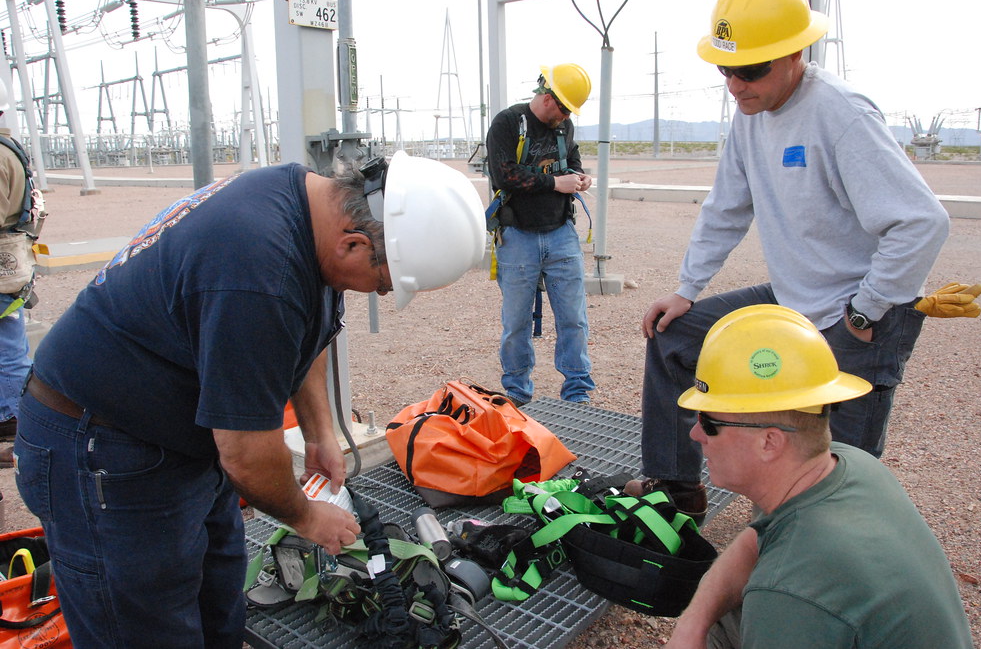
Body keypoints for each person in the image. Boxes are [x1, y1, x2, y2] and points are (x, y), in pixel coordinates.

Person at [12, 151, 485, 648]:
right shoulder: (260, 271)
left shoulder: (312, 206)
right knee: (145, 629)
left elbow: (313, 327)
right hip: (101, 448)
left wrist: (320, 431)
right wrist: (305, 516)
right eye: (385, 283)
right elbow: (247, 456)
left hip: (179, 437)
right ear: (355, 243)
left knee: (218, 602)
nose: (382, 295)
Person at [627, 0, 950, 522]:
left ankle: (835, 555)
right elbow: (725, 208)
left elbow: (922, 223)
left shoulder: (840, 115)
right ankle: (677, 492)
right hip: (797, 297)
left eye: (749, 69)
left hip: (863, 315)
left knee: (834, 471)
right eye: (726, 68)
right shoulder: (750, 116)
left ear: (796, 54)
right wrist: (686, 289)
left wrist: (864, 309)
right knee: (674, 337)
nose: (735, 83)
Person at [666, 304, 973, 648]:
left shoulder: (789, 591)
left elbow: (786, 583)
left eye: (709, 422)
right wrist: (692, 623)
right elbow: (757, 539)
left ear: (769, 442)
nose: (696, 435)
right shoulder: (848, 464)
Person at [486, 63, 596, 406]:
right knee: (516, 323)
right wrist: (553, 183)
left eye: (569, 112)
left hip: (561, 232)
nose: (564, 117)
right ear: (547, 98)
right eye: (562, 109)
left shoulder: (565, 128)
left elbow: (573, 161)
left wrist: (580, 177)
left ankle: (577, 392)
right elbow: (503, 174)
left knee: (573, 319)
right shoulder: (508, 123)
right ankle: (517, 394)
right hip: (518, 235)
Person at [0, 81, 40, 467]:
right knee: (8, 344)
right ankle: (11, 417)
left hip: (2, 267)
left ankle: (21, 424)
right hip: (10, 263)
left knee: (9, 350)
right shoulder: (9, 148)